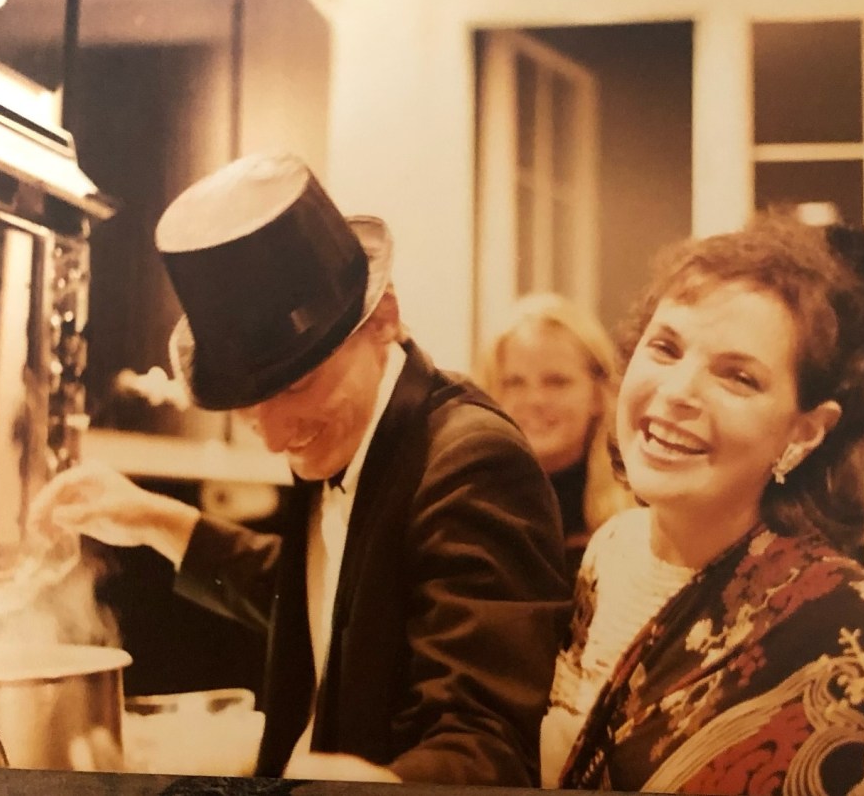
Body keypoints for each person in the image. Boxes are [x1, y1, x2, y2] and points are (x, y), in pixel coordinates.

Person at [29, 152, 572, 786]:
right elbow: (329, 598)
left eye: (299, 384)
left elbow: (488, 743)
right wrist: (153, 518)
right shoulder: (347, 431)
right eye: (251, 408)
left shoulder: (473, 462)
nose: (275, 436)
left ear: (385, 319)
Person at [541, 214, 864, 794]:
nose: (676, 393)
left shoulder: (849, 633)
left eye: (738, 377)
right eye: (665, 348)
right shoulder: (611, 552)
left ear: (805, 431)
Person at [477, 293, 634, 580]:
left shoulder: (637, 520)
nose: (534, 399)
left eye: (556, 382)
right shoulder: (470, 509)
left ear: (599, 395)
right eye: (514, 383)